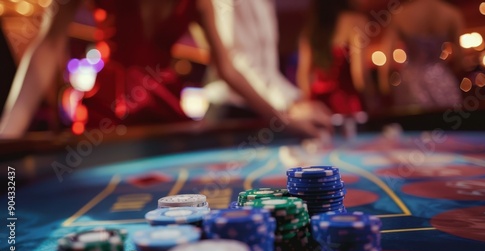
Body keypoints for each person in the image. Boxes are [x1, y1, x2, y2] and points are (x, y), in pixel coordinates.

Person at [0, 0, 331, 139]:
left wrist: (282, 120)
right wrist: (7, 133)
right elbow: (47, 45)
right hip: (105, 112)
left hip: (166, 112)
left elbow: (228, 67)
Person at [201, 0, 331, 126]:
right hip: (233, 110)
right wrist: (289, 106)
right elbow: (235, 63)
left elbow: (268, 72)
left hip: (264, 108)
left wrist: (297, 100)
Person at [379, 0, 464, 110]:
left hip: (411, 83)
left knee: (415, 124)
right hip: (443, 80)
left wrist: (385, 89)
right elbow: (460, 59)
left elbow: (387, 60)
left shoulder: (401, 14)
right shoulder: (452, 13)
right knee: (447, 124)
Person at [296, 0, 375, 117]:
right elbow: (359, 74)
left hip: (319, 107)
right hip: (348, 104)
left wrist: (311, 104)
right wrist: (373, 100)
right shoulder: (356, 21)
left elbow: (303, 76)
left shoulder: (311, 29)